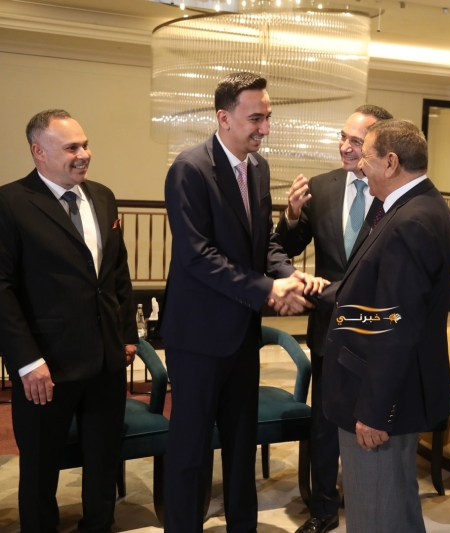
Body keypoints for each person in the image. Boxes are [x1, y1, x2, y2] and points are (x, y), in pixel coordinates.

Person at [159, 72, 327, 533]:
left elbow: (264, 242)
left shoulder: (259, 168)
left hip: (242, 333)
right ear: (224, 117)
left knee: (241, 447)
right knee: (191, 451)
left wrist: (289, 274)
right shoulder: (190, 169)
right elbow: (197, 256)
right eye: (256, 118)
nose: (265, 128)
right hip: (197, 337)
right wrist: (267, 290)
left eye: (267, 117)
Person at [0, 109, 138, 532]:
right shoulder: (10, 202)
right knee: (40, 469)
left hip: (106, 360)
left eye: (85, 144)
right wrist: (27, 362)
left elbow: (117, 273)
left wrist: (126, 334)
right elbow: (2, 289)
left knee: (103, 461)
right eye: (71, 147)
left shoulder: (103, 196)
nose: (84, 154)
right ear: (38, 152)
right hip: (46, 367)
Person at [322, 119, 450, 533]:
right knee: (395, 508)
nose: (361, 167)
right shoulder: (411, 207)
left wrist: (374, 411)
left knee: (375, 514)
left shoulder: (411, 220)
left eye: (366, 157)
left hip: (378, 400)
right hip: (387, 391)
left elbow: (396, 328)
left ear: (391, 162)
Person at [275, 104, 393, 533]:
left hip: (379, 331)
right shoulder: (322, 187)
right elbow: (285, 245)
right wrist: (291, 215)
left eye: (356, 141)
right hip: (329, 329)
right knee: (325, 424)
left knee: (375, 421)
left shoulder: (394, 192)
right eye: (343, 137)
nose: (345, 147)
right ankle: (323, 508)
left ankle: (370, 504)